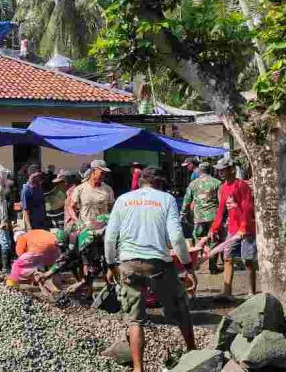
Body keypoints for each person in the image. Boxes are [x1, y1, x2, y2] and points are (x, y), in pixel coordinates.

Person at [104, 166, 197, 372]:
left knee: (135, 321)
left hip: (128, 263)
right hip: (158, 264)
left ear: (140, 182)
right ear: (160, 183)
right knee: (180, 308)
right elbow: (176, 237)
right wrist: (188, 266)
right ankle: (193, 352)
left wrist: (111, 265)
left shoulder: (123, 199)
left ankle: (139, 369)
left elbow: (110, 238)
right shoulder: (166, 200)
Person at [209, 157, 257, 298]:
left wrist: (244, 226)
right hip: (232, 229)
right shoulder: (223, 187)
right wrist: (214, 228)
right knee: (227, 258)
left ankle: (252, 292)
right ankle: (227, 292)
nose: (220, 173)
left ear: (231, 170)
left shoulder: (241, 185)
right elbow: (221, 210)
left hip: (247, 229)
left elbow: (248, 207)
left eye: (223, 170)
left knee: (248, 260)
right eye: (218, 170)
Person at [181, 162, 222, 273]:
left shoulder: (193, 183)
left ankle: (196, 265)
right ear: (210, 170)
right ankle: (212, 267)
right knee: (213, 240)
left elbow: (187, 201)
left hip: (198, 217)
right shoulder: (217, 183)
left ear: (199, 171)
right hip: (214, 217)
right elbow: (221, 201)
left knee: (198, 240)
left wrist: (183, 214)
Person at [72, 159, 116, 230]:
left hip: (103, 229)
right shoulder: (80, 189)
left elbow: (113, 208)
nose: (103, 176)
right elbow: (72, 207)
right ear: (93, 171)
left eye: (105, 174)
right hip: (85, 229)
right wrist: (77, 222)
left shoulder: (108, 189)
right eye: (101, 173)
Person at [0, 165, 15, 275]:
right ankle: (6, 267)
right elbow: (1, 207)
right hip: (1, 219)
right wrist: (4, 220)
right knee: (5, 243)